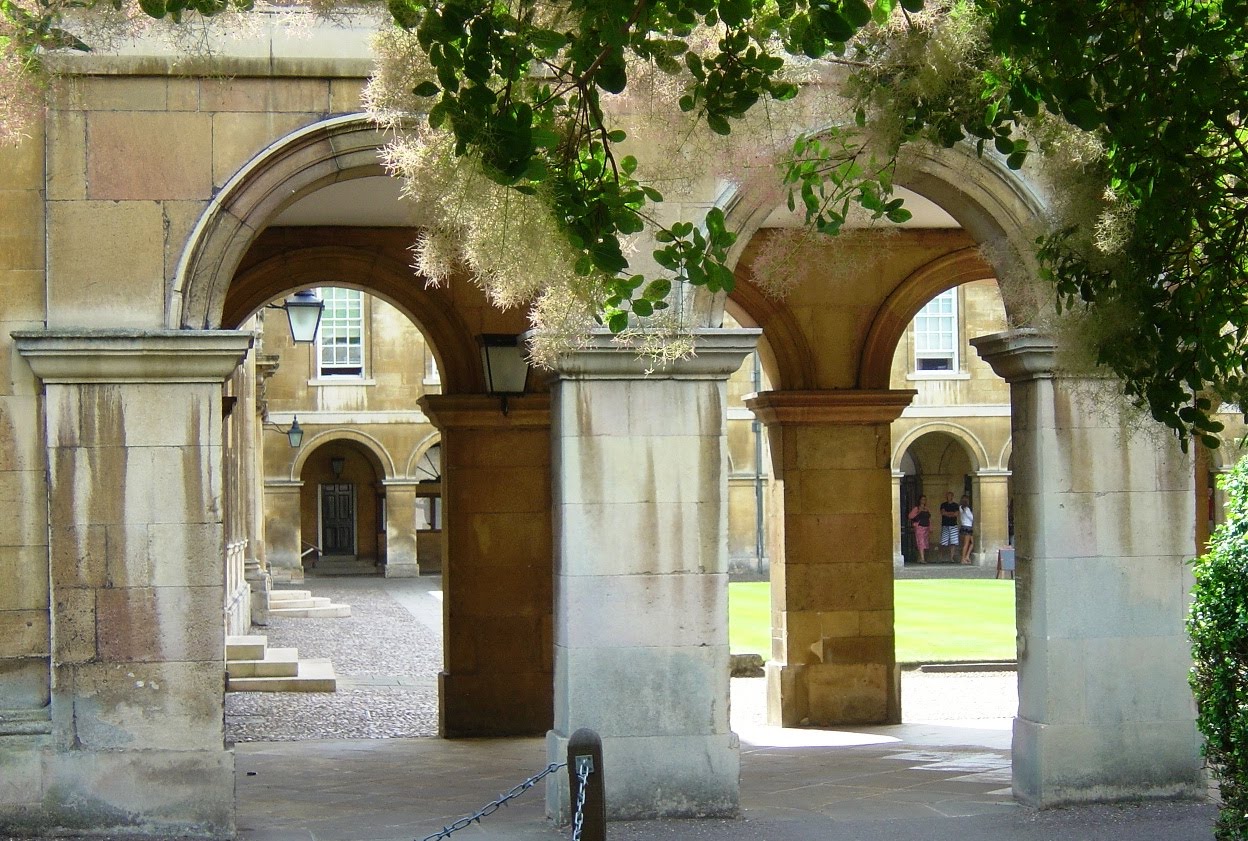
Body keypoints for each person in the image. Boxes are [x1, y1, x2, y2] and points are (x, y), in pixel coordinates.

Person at [907, 495, 932, 563]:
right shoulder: (916, 508)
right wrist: (918, 512)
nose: (924, 501)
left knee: (925, 543)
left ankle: (920, 558)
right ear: (920, 500)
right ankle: (922, 559)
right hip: (919, 527)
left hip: (926, 527)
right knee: (921, 542)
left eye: (925, 499)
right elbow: (910, 516)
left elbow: (929, 518)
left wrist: (930, 527)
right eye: (922, 499)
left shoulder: (927, 509)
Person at [939, 492, 960, 562]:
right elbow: (942, 513)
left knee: (953, 542)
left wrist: (947, 513)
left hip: (953, 525)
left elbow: (956, 514)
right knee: (943, 542)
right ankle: (940, 557)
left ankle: (951, 558)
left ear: (952, 497)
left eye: (950, 496)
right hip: (945, 525)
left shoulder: (955, 505)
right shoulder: (943, 504)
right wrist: (951, 513)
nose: (948, 497)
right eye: (947, 496)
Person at [959, 494, 975, 564]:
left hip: (963, 526)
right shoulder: (967, 509)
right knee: (966, 544)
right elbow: (972, 518)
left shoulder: (960, 508)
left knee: (971, 543)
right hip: (968, 527)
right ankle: (963, 558)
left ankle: (967, 556)